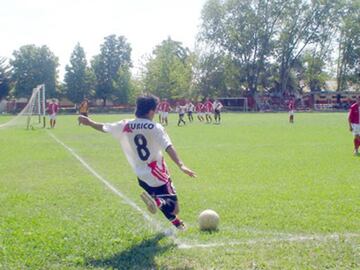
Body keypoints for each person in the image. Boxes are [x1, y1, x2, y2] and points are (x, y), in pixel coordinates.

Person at [78, 95, 196, 230]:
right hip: (158, 173)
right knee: (173, 207)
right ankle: (157, 202)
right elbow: (168, 146)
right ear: (151, 111)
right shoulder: (155, 127)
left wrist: (89, 122)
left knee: (164, 202)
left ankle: (176, 223)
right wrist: (181, 165)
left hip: (141, 174)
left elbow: (104, 127)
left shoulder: (125, 124)